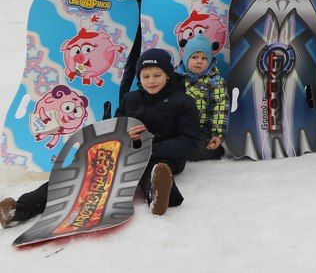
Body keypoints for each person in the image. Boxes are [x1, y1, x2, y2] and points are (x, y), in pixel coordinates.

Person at [1, 48, 201, 226]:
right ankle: (20, 208)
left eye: (157, 75)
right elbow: (118, 127)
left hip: (164, 157)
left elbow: (189, 141)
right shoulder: (131, 98)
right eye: (145, 75)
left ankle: (159, 195)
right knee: (82, 172)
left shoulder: (183, 102)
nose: (151, 80)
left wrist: (149, 149)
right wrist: (125, 135)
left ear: (168, 75)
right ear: (139, 77)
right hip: (127, 152)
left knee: (150, 169)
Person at [180, 34, 227, 160]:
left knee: (202, 150)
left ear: (210, 60)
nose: (199, 61)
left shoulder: (215, 81)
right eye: (194, 57)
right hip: (179, 129)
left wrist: (217, 134)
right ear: (185, 58)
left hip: (201, 130)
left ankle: (207, 148)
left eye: (204, 58)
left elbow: (220, 107)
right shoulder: (177, 79)